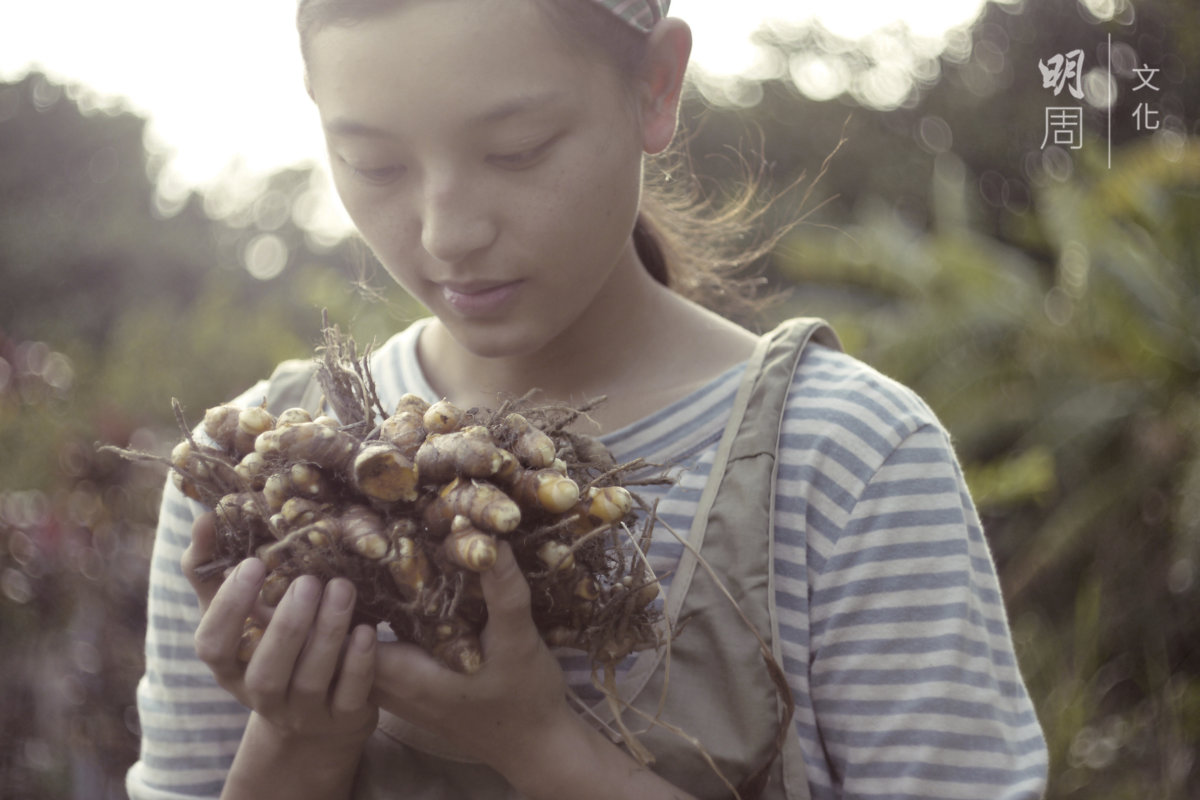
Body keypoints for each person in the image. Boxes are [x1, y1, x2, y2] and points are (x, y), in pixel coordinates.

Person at [126, 1, 1049, 798]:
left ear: (655, 85)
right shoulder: (248, 482)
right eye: (374, 164)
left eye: (516, 150)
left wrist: (544, 750)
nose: (449, 232)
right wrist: (296, 743)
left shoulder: (845, 462)